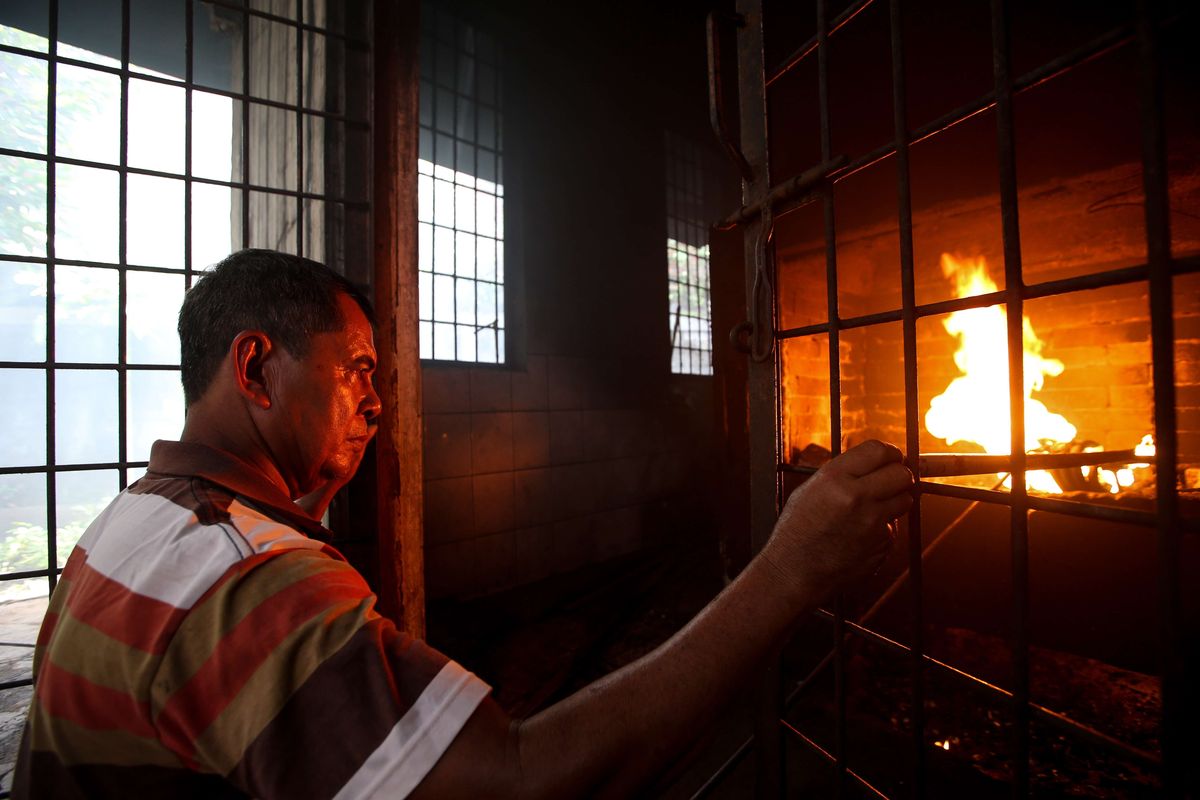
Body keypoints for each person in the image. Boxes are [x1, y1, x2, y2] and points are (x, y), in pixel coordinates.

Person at [13, 249, 913, 799]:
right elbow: (517, 787)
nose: (376, 404)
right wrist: (790, 568)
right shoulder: (247, 577)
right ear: (256, 369)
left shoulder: (134, 522)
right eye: (358, 370)